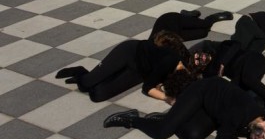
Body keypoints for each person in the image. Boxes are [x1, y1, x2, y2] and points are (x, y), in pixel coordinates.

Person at [103, 76, 265, 139]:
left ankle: (165, 119)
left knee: (191, 136)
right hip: (203, 91)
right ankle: (132, 119)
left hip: (215, 108)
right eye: (263, 136)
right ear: (264, 122)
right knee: (162, 133)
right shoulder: (242, 114)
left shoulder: (254, 123)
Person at [55, 31, 190, 103]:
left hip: (140, 70)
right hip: (130, 52)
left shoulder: (183, 68)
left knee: (97, 95)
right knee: (85, 84)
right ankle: (80, 72)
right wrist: (167, 98)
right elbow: (147, 87)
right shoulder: (168, 62)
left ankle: (103, 76)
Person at [195, 39, 265, 118]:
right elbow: (202, 81)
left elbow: (237, 44)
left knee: (247, 78)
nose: (201, 58)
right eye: (198, 61)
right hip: (240, 74)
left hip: (251, 59)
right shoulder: (209, 71)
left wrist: (223, 64)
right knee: (233, 93)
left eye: (199, 55)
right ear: (200, 66)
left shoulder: (221, 47)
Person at [149, 10, 234, 43]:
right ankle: (189, 17)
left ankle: (210, 18)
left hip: (170, 20)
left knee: (205, 24)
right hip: (175, 35)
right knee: (203, 33)